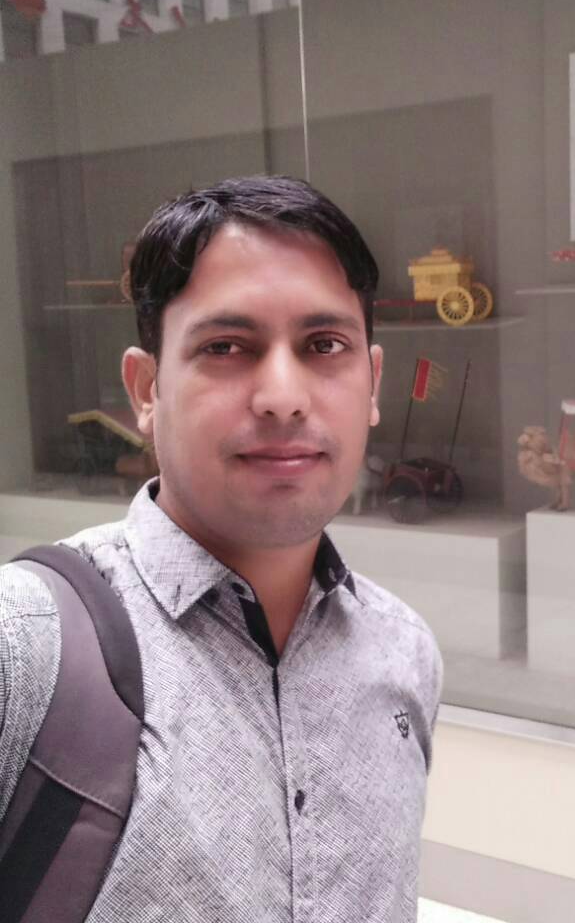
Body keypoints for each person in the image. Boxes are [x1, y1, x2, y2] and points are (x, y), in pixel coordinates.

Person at [0, 176, 443, 921]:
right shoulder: (25, 649)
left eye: (324, 345)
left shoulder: (405, 654)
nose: (283, 396)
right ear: (146, 388)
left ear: (372, 383)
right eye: (227, 347)